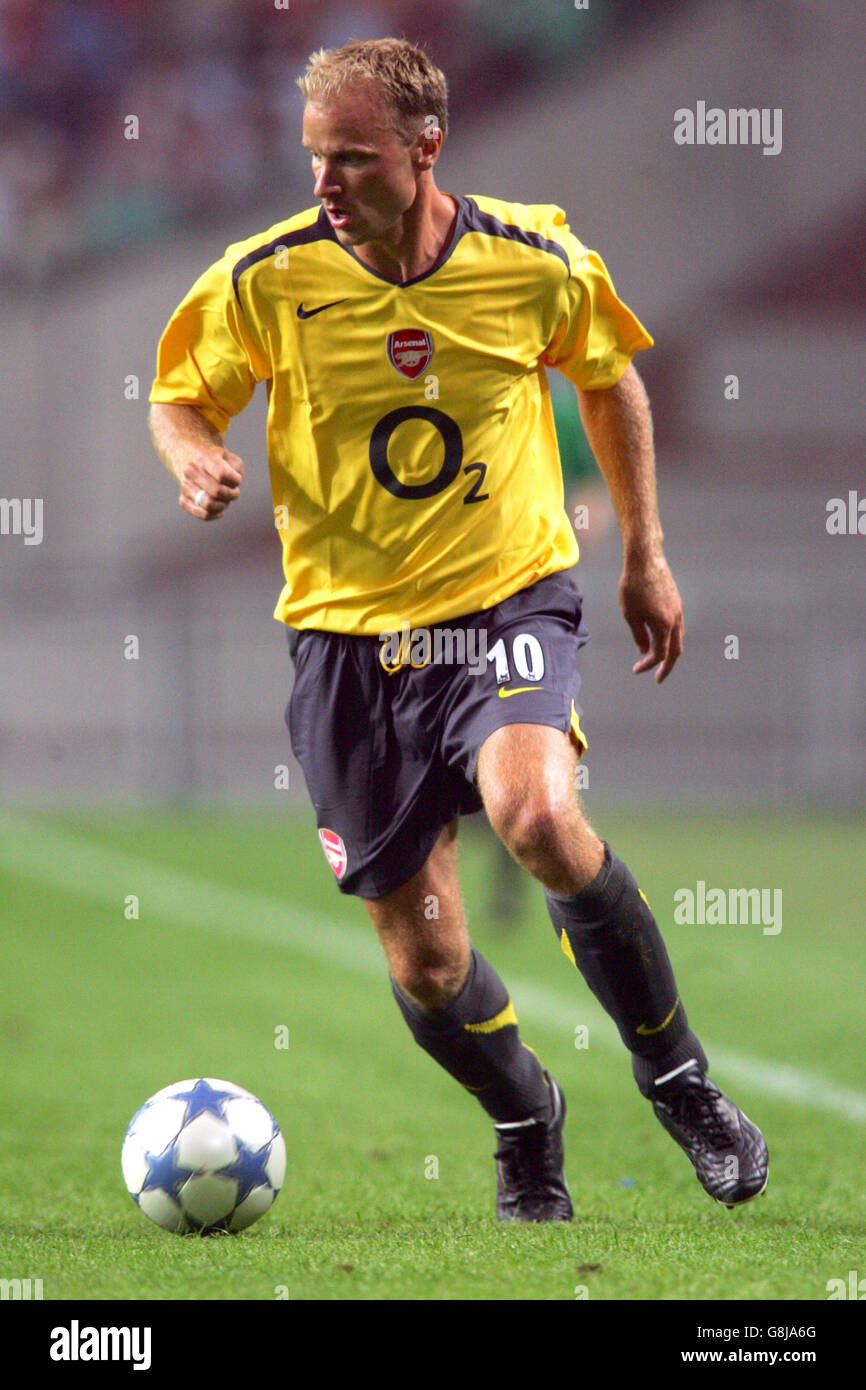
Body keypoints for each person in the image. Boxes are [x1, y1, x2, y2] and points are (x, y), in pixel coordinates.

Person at [148, 37, 768, 1221]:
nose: (324, 182)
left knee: (536, 811)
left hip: (503, 602)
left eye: (352, 158)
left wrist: (643, 552)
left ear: (426, 147)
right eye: (314, 158)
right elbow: (179, 394)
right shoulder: (263, 277)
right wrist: (195, 456)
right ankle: (526, 1118)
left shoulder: (527, 257)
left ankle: (679, 1079)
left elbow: (609, 377)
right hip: (347, 643)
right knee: (426, 965)